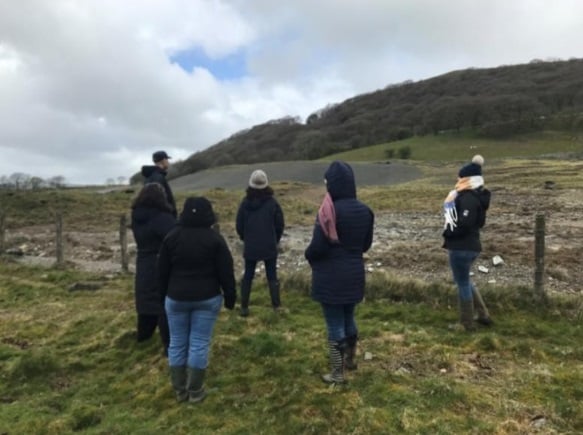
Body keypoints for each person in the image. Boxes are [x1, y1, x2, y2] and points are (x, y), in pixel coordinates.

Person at [158, 197, 236, 403]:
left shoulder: (171, 237)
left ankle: (179, 390)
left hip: (176, 298)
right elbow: (226, 272)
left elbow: (161, 272)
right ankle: (195, 391)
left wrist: (161, 296)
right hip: (207, 297)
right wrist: (230, 297)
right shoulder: (215, 239)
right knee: (199, 343)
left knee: (177, 343)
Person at [305, 161, 374, 384]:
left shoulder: (327, 212)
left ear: (332, 184)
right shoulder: (366, 211)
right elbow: (365, 245)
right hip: (355, 274)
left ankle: (337, 372)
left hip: (330, 277)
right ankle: (351, 359)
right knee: (348, 317)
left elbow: (318, 247)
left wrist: (309, 255)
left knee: (334, 324)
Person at [442, 155, 493, 331]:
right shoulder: (477, 197)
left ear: (468, 180)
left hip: (461, 246)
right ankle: (483, 314)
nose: (458, 180)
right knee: (463, 280)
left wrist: (449, 232)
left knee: (462, 283)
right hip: (471, 245)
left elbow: (465, 223)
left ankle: (466, 323)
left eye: (461, 177)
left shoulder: (468, 198)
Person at [130, 183, 176, 355]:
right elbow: (173, 235)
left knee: (145, 299)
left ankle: (144, 336)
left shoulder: (137, 215)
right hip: (160, 259)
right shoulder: (161, 217)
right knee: (162, 303)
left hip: (143, 260)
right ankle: (168, 344)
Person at [235, 169, 285, 317]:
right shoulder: (272, 203)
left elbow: (239, 225)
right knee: (272, 276)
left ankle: (244, 307)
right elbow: (280, 224)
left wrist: (246, 238)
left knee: (248, 275)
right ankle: (276, 306)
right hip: (269, 244)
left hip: (251, 245)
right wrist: (275, 239)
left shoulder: (245, 203)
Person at [141, 150, 177, 217]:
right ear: (163, 160)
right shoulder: (158, 177)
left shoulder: (149, 177)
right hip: (163, 218)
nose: (168, 162)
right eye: (167, 159)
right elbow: (159, 201)